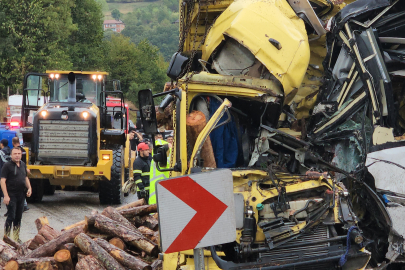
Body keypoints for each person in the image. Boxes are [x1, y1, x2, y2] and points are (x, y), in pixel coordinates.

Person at [1, 147, 32, 243]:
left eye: (19, 153)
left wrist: (30, 188)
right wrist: (6, 196)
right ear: (11, 155)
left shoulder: (23, 165)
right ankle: (6, 238)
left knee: (18, 217)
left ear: (21, 154)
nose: (17, 155)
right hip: (11, 194)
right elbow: (2, 181)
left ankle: (16, 237)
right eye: (15, 154)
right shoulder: (7, 166)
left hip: (21, 194)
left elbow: (25, 177)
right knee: (11, 216)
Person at [12, 137, 29, 212]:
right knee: (23, 187)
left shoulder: (14, 151)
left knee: (17, 188)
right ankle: (24, 204)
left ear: (13, 143)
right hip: (23, 169)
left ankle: (22, 205)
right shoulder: (24, 150)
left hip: (17, 170)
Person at [0, 139, 11, 209]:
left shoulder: (1, 152)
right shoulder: (10, 151)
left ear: (2, 144)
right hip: (9, 173)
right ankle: (9, 207)